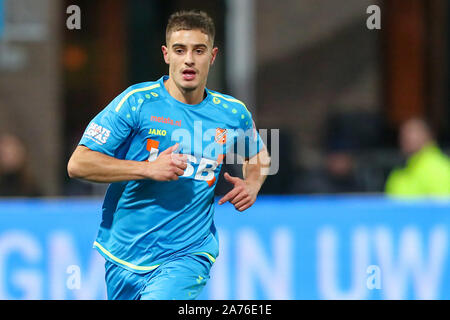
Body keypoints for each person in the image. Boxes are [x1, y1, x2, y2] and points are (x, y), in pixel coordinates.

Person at [67, 10, 270, 300]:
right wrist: (147, 169)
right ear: (166, 55)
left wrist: (252, 183)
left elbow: (259, 156)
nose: (189, 59)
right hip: (125, 253)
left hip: (189, 253)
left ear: (212, 57)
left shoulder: (232, 113)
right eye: (180, 50)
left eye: (198, 51)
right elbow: (78, 164)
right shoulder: (136, 103)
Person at [385, 117, 450, 197]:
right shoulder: (399, 170)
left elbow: (443, 206)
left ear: (429, 136)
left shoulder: (441, 167)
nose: (407, 138)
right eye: (404, 134)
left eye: (414, 133)